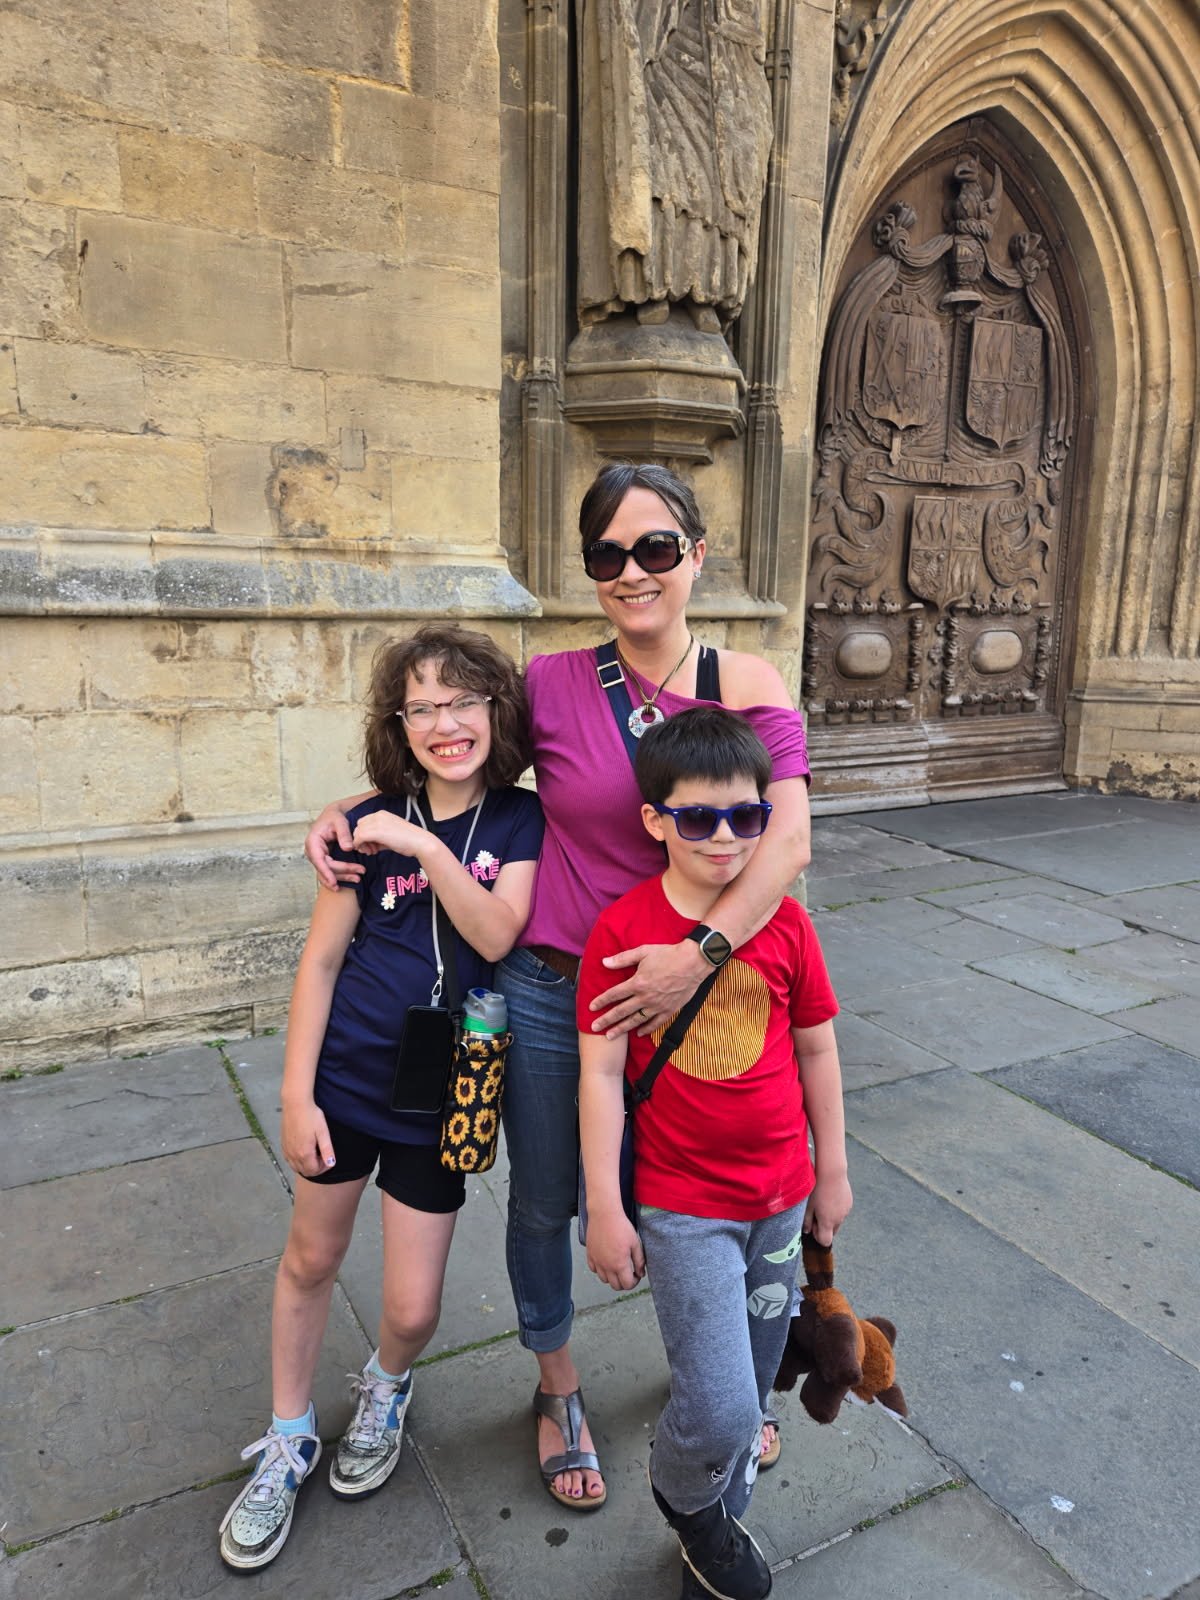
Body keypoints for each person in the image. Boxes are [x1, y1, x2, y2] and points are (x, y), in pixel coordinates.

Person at [305, 462, 812, 1511]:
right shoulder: (552, 685)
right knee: (546, 1203)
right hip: (551, 988)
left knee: (704, 1192)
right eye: (609, 556)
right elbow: (458, 754)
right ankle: (557, 1385)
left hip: (703, 990)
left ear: (697, 555)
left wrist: (699, 956)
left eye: (657, 549)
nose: (635, 573)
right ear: (590, 572)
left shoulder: (746, 684)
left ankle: (717, 1375)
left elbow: (788, 840)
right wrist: (359, 803)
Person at [219, 625, 543, 1572]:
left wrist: (420, 845)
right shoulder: (363, 821)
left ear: (496, 711)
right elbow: (320, 964)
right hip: (346, 1081)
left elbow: (496, 925)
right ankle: (286, 1439)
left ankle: (385, 1386)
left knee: (409, 1308)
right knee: (311, 1260)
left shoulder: (519, 822)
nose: (446, 723)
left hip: (443, 1097)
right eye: (423, 707)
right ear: (398, 724)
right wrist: (292, 1093)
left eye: (463, 701)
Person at [577, 707, 851, 1600]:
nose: (726, 837)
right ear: (656, 819)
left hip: (779, 1196)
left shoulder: (786, 927)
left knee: (758, 1387)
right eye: (699, 817)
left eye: (748, 815)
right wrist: (607, 1209)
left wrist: (833, 1170)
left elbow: (816, 1048)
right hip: (683, 1208)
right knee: (724, 1401)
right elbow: (600, 1078)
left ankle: (716, 1536)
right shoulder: (623, 933)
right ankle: (684, 1500)